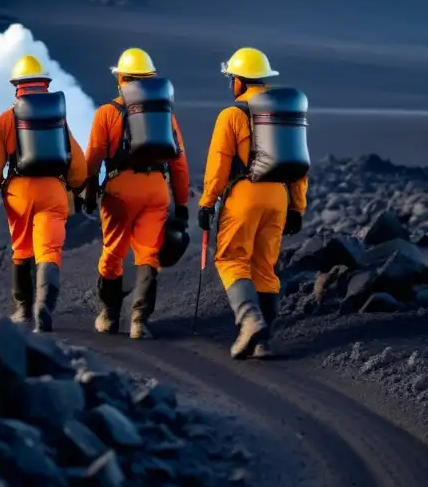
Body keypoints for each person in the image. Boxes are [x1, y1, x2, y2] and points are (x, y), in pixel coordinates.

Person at [198, 47, 309, 359]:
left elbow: (218, 165)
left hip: (245, 194)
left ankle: (249, 320)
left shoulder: (232, 115)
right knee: (264, 267)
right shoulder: (284, 114)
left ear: (239, 81)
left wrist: (207, 203)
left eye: (232, 78)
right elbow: (300, 166)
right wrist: (297, 207)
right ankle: (262, 343)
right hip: (279, 197)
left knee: (231, 259)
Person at [83, 48, 191, 339]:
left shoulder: (107, 113)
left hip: (120, 190)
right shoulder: (165, 116)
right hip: (156, 190)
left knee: (113, 252)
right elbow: (179, 164)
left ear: (121, 79)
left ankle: (109, 315)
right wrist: (181, 203)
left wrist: (89, 194)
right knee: (148, 254)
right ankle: (139, 321)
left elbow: (92, 160)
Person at [0, 55, 88, 333]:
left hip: (19, 192)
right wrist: (76, 187)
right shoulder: (58, 120)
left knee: (22, 249)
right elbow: (77, 164)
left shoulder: (6, 120)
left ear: (16, 86)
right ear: (45, 84)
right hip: (53, 191)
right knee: (49, 251)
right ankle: (44, 305)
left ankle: (23, 310)